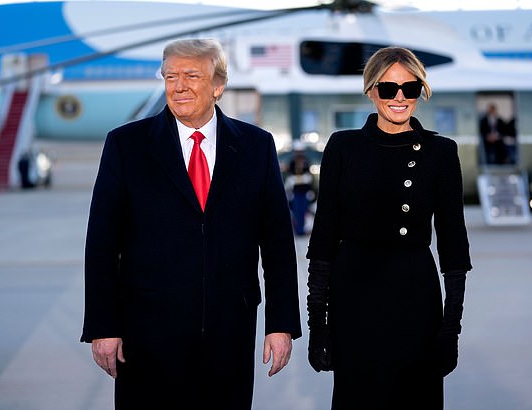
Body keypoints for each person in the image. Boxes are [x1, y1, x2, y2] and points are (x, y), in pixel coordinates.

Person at [80, 38, 302, 409]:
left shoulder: (256, 147)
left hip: (229, 332)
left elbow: (277, 246)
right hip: (147, 334)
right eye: (170, 76)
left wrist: (281, 324)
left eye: (191, 75)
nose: (178, 85)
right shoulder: (125, 145)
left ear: (218, 85)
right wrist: (103, 326)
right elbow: (102, 245)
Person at [305, 46, 472, 409]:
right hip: (354, 298)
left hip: (415, 297)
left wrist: (450, 329)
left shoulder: (440, 151)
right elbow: (323, 238)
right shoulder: (343, 146)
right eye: (388, 88)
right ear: (370, 91)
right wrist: (318, 321)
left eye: (410, 89)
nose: (399, 98)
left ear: (420, 92)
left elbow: (454, 244)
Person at [284, 141, 315, 236]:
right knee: (296, 212)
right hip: (296, 192)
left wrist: (311, 190)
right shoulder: (292, 162)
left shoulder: (306, 162)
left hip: (304, 192)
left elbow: (309, 177)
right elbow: (289, 177)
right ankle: (298, 230)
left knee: (304, 211)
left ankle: (304, 229)